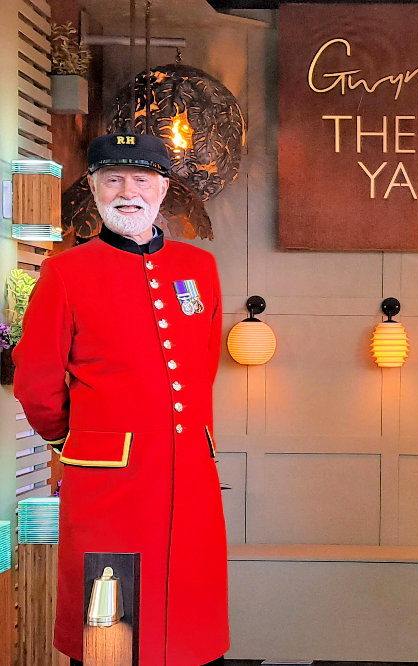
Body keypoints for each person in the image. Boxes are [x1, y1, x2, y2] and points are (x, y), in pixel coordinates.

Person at [13, 133, 229, 666]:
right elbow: (36, 382)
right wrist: (80, 440)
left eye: (140, 179)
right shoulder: (65, 273)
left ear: (162, 188)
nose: (126, 192)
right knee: (111, 627)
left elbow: (202, 365)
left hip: (191, 476)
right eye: (112, 179)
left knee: (188, 621)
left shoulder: (198, 269)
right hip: (108, 487)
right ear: (93, 187)